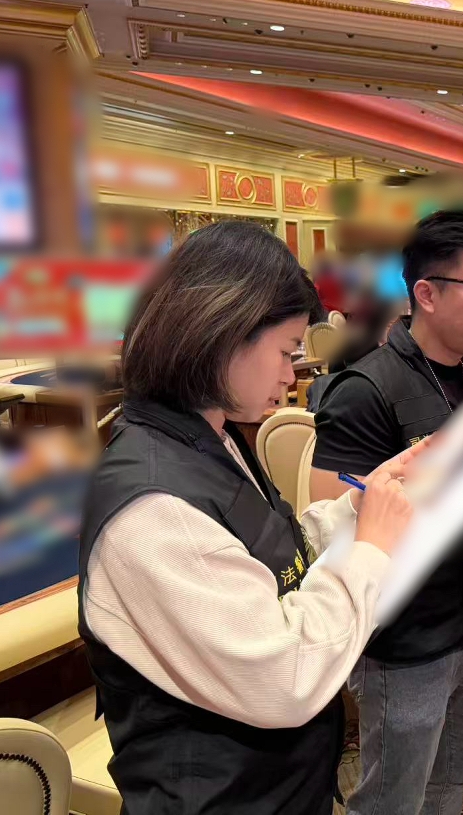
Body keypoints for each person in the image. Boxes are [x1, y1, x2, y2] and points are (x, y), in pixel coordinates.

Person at [78, 221, 422, 814]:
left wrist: (357, 508)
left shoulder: (209, 433)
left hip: (276, 785)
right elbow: (286, 677)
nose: (292, 375)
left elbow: (267, 555)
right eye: (285, 351)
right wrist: (370, 549)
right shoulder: (152, 509)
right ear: (221, 334)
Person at [309, 209, 463, 815]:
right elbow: (326, 532)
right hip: (406, 642)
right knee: (393, 798)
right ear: (427, 293)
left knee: (455, 778)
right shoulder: (366, 391)